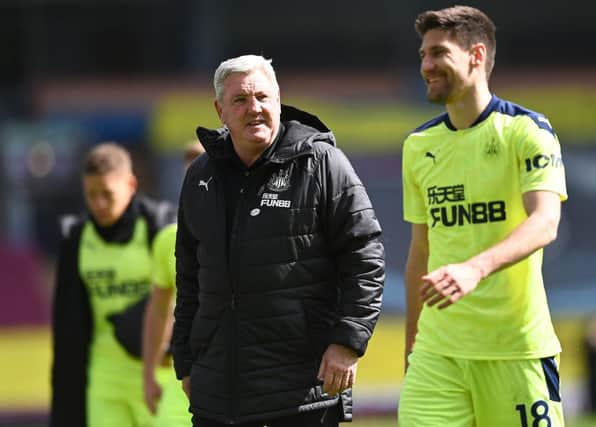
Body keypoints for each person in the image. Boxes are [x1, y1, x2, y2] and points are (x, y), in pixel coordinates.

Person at [171, 54, 385, 427]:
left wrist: (348, 342)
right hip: (217, 397)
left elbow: (366, 256)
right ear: (220, 110)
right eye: (240, 100)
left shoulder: (322, 163)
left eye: (263, 98)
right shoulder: (200, 175)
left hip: (301, 393)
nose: (254, 108)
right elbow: (190, 277)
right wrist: (187, 362)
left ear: (279, 100)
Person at [398, 6, 567, 427]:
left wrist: (476, 269)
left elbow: (545, 221)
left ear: (476, 54)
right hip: (438, 355)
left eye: (438, 53)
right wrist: (413, 347)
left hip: (515, 350)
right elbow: (421, 250)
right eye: (422, 55)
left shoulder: (527, 131)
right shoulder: (418, 146)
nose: (426, 66)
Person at [50, 142, 176, 427]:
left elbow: (182, 297)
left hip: (157, 375)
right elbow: (67, 319)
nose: (99, 204)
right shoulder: (77, 238)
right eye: (91, 195)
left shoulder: (159, 226)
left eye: (107, 194)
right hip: (103, 378)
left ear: (130, 184)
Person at [142, 141, 206, 427]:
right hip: (184, 378)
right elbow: (159, 310)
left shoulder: (253, 233)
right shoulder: (169, 240)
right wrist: (148, 376)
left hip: (240, 376)